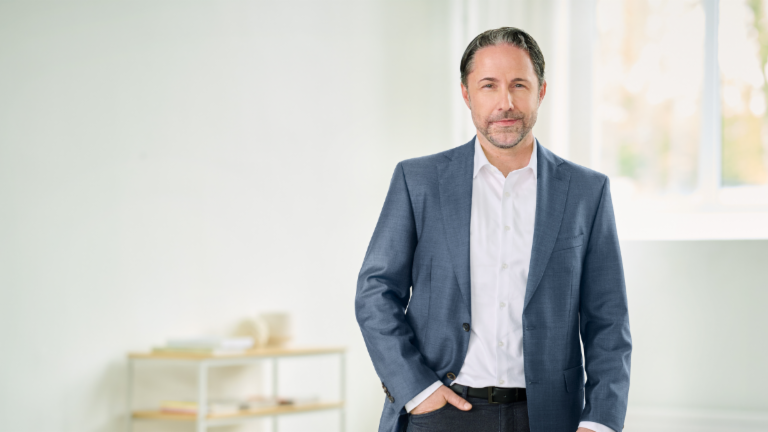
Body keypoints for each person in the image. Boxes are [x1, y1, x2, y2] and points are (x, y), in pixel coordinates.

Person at [355, 27, 631, 432]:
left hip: (549, 418)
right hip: (441, 412)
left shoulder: (586, 192)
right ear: (467, 94)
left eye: (520, 85)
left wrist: (600, 421)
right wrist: (416, 389)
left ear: (542, 91)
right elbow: (375, 292)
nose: (506, 103)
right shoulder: (419, 181)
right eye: (489, 86)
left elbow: (608, 319)